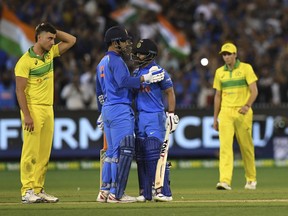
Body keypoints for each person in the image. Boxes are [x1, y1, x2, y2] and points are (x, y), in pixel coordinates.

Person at [95, 26, 164, 203]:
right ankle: (117, 194)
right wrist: (144, 79)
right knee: (123, 151)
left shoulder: (101, 62)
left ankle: (105, 190)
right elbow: (123, 81)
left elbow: (99, 92)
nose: (127, 44)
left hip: (108, 109)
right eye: (125, 41)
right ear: (115, 42)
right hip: (120, 110)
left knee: (111, 154)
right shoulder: (116, 61)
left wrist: (101, 111)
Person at [14, 22, 76, 203]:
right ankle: (27, 191)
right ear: (38, 37)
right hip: (33, 109)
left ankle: (38, 189)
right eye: (49, 38)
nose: (52, 41)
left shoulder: (50, 54)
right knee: (30, 153)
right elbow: (19, 90)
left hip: (48, 109)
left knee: (43, 154)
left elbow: (72, 40)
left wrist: (54, 31)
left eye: (54, 38)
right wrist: (26, 114)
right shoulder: (24, 62)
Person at [131, 39, 179, 202]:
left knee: (154, 153)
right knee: (142, 155)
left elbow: (170, 92)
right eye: (137, 52)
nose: (138, 55)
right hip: (140, 117)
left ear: (150, 55)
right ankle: (146, 192)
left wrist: (171, 113)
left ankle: (164, 191)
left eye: (141, 52)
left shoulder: (158, 71)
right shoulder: (137, 73)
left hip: (155, 116)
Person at [213, 42, 258, 190]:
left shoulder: (246, 68)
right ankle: (224, 181)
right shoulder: (220, 72)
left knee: (246, 147)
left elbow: (254, 91)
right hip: (225, 112)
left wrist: (247, 105)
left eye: (228, 54)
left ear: (235, 54)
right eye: (224, 54)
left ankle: (251, 179)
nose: (226, 57)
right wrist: (215, 118)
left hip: (242, 112)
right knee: (225, 148)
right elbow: (217, 96)